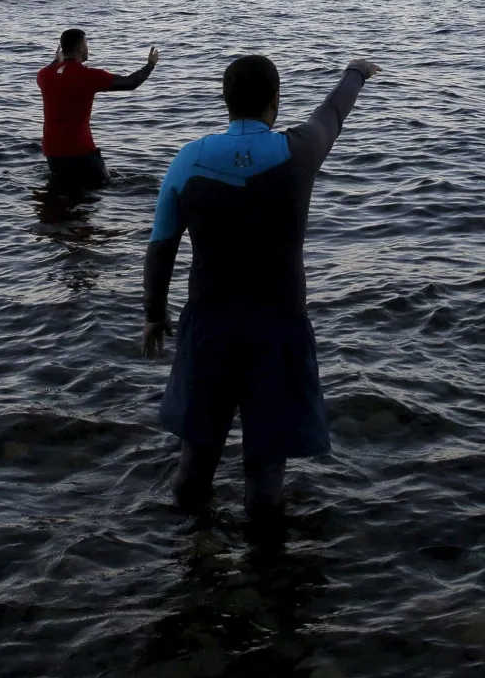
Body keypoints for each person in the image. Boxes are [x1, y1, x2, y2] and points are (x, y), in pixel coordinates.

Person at [143, 55, 381, 528]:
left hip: (210, 328)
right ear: (276, 100)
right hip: (278, 331)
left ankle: (191, 561)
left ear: (225, 101)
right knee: (266, 475)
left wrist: (153, 313)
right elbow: (332, 114)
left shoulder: (188, 158)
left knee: (194, 465)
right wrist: (356, 71)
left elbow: (161, 245)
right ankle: (270, 578)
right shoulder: (299, 150)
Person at [37, 30, 159, 188]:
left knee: (63, 193)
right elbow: (130, 82)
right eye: (86, 43)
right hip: (81, 152)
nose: (87, 47)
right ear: (80, 49)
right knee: (103, 189)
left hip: (52, 153)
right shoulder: (89, 76)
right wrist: (151, 64)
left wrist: (56, 60)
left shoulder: (44, 75)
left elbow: (53, 69)